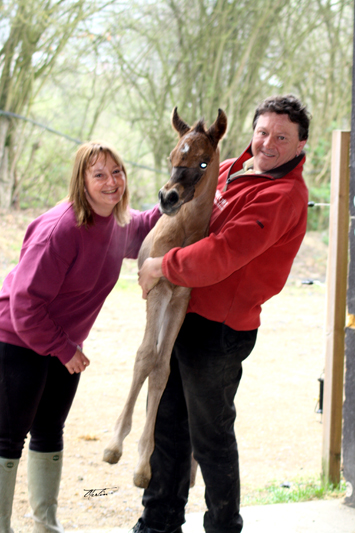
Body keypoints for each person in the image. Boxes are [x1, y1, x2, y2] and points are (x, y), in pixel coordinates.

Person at [135, 94, 311, 533]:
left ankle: (222, 526)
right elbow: (187, 217)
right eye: (263, 132)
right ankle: (158, 522)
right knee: (167, 423)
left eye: (282, 137)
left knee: (210, 437)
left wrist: (161, 265)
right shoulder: (230, 167)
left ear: (301, 145)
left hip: (221, 330)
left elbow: (223, 252)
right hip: (186, 314)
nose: (269, 143)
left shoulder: (283, 196)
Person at [0, 140, 161, 533]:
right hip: (17, 340)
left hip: (62, 345)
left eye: (117, 172)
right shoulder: (62, 228)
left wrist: (196, 181)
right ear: (82, 181)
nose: (111, 182)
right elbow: (24, 305)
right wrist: (63, 349)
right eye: (99, 174)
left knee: (50, 431)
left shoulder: (118, 224)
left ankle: (45, 526)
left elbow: (149, 223)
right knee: (7, 439)